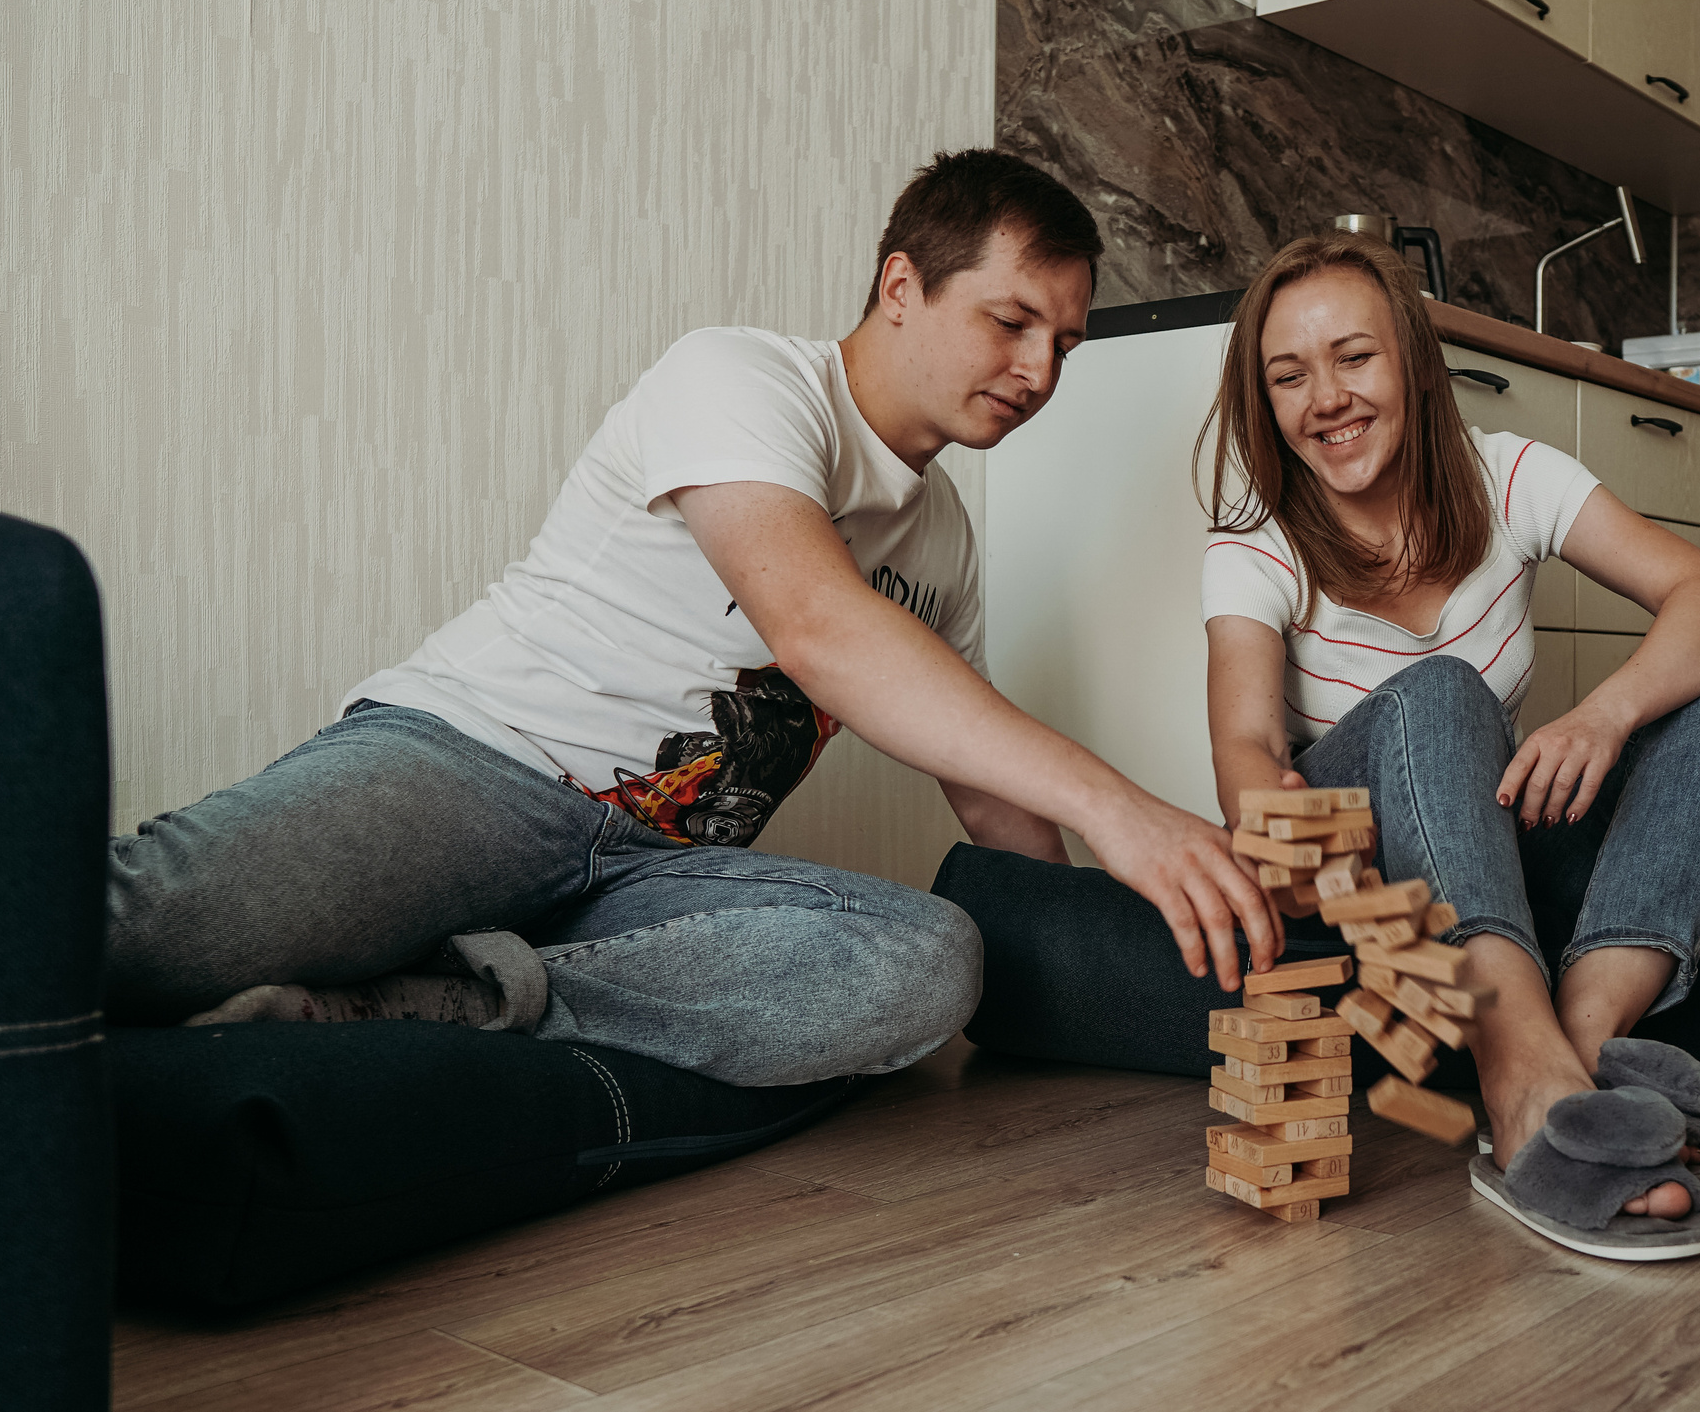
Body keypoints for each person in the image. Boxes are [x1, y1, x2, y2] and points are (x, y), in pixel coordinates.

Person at [105, 149, 1282, 1088]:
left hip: (658, 874)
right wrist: (1127, 809)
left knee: (929, 962)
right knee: (142, 931)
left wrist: (1110, 941)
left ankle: (448, 996)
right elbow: (818, 630)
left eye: (1065, 343)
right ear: (901, 286)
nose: (1038, 371)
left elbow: (987, 797)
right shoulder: (743, 379)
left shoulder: (944, 545)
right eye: (1011, 321)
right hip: (476, 768)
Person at [1198, 231, 1700, 1258]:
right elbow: (1243, 747)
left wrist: (1604, 713)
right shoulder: (1256, 539)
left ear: (1414, 363)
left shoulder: (1508, 474)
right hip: (1365, 867)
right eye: (1289, 375)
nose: (1323, 396)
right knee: (1440, 691)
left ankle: (1581, 1051)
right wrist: (1281, 841)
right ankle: (1516, 1081)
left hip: (1480, 830)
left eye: (1353, 357)